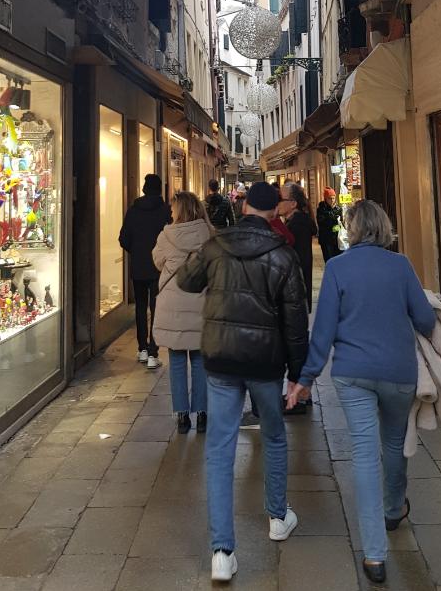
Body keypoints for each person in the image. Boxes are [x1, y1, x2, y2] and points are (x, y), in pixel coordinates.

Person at [287, 200, 436, 586]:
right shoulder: (401, 265)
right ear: (383, 227)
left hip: (352, 374)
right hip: (398, 372)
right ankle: (394, 508)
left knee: (365, 456)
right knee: (394, 443)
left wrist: (306, 377)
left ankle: (374, 555)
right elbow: (425, 319)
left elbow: (323, 330)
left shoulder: (338, 268)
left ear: (351, 229)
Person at [177, 181, 309, 584]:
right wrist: (298, 375)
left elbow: (186, 280)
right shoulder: (283, 255)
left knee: (220, 448)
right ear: (273, 212)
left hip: (221, 357)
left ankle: (222, 551)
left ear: (245, 206)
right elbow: (296, 321)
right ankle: (277, 517)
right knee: (274, 436)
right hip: (265, 362)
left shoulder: (217, 245)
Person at [153, 192, 213, 434]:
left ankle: (181, 416)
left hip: (173, 304)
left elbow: (158, 261)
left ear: (180, 210)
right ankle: (202, 413)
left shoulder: (166, 235)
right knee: (200, 361)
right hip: (201, 302)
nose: (170, 211)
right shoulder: (210, 234)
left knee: (177, 361)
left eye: (173, 208)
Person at [119, 173, 172, 369]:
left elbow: (124, 238)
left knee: (140, 307)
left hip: (138, 267)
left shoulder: (133, 211)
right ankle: (153, 352)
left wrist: (136, 252)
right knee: (157, 308)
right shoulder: (165, 211)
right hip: (159, 268)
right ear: (159, 189)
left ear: (144, 188)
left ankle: (142, 348)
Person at [281, 183, 318, 313]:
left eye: (281, 199)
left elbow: (301, 260)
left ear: (293, 204)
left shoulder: (298, 225)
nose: (277, 203)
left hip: (296, 292)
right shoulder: (294, 222)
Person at [317, 187, 343, 261]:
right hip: (326, 239)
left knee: (338, 260)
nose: (332, 200)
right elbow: (321, 222)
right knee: (329, 260)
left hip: (337, 239)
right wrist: (332, 217)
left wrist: (337, 226)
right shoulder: (321, 209)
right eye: (329, 198)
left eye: (333, 198)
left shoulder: (338, 209)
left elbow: (341, 223)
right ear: (325, 199)